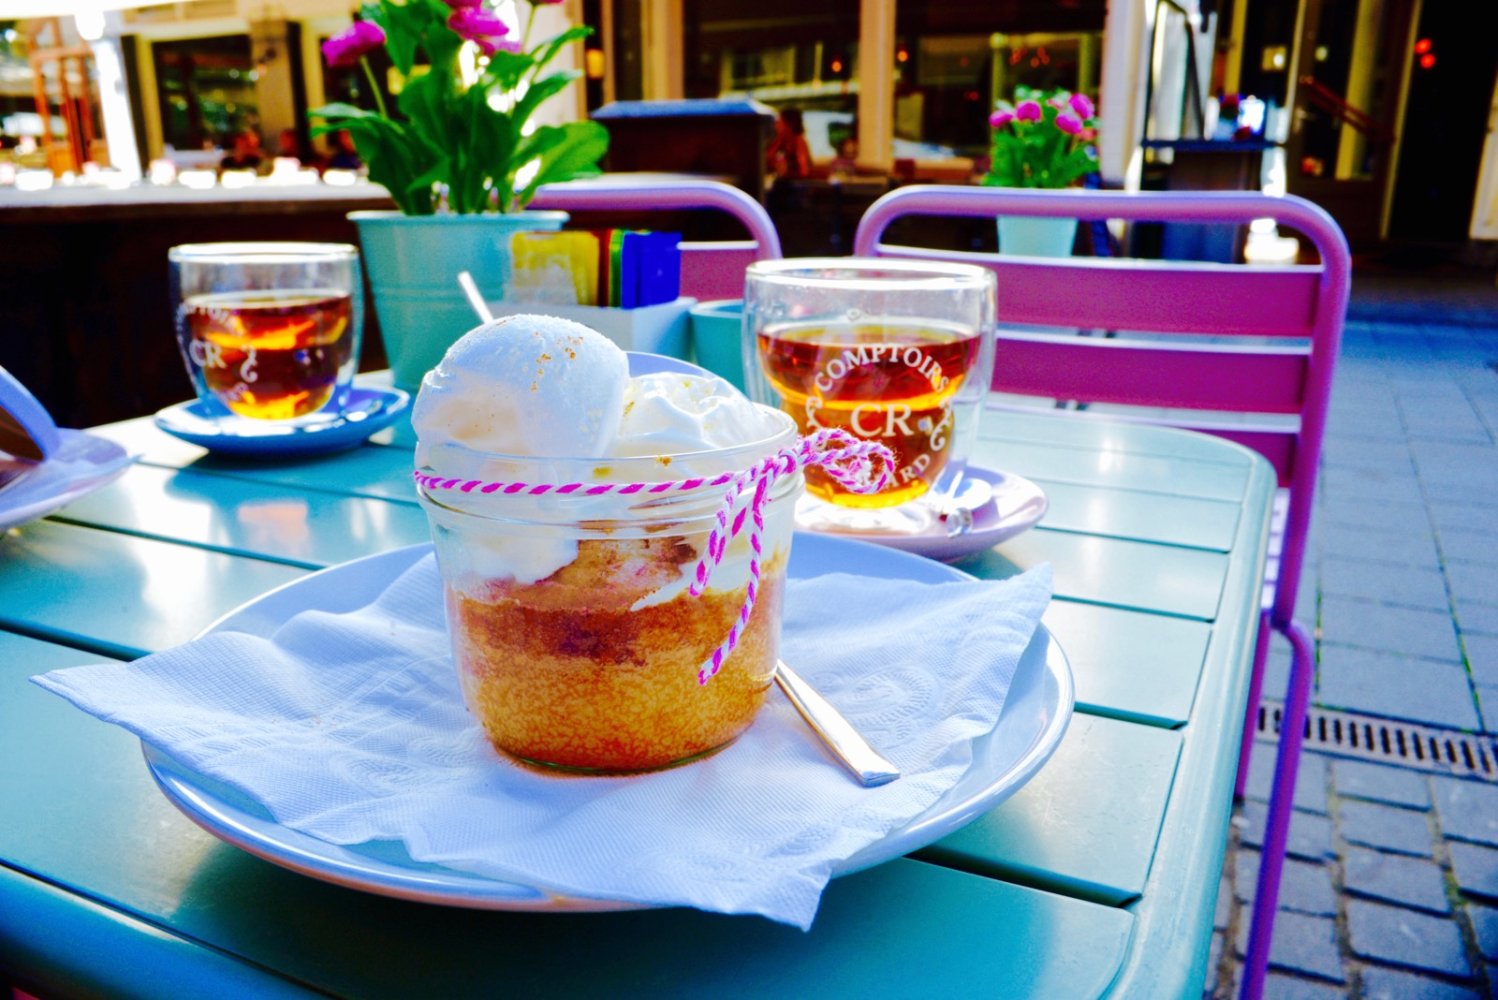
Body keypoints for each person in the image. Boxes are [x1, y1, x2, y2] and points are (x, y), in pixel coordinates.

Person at [766, 107, 811, 180]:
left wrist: (786, 170)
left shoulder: (798, 141)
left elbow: (803, 171)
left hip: (794, 183)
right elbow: (767, 159)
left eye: (780, 121)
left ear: (790, 124)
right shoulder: (781, 140)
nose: (776, 124)